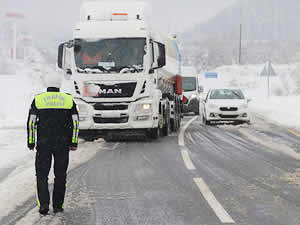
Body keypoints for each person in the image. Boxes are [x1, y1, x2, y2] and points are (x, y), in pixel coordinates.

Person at [27, 82, 79, 215]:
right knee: (60, 176)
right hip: (62, 144)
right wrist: (73, 142)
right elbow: (75, 122)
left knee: (42, 175)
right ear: (58, 86)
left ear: (48, 86)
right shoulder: (68, 99)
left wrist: (31, 142)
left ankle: (44, 205)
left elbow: (31, 122)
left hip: (44, 144)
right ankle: (57, 206)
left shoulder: (38, 99)